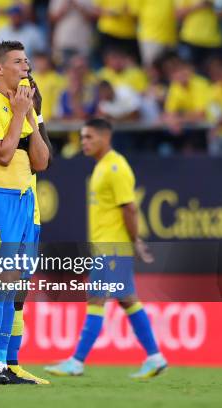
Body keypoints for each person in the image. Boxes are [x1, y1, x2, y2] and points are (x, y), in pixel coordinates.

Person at [44, 118, 167, 379]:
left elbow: (130, 208)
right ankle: (155, 357)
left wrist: (135, 241)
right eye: (82, 137)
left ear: (105, 137)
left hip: (112, 247)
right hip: (108, 245)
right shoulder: (102, 167)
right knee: (127, 300)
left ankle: (76, 361)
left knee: (95, 298)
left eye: (88, 137)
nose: (84, 142)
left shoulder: (115, 167)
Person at [0, 40, 49, 385]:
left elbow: (41, 162)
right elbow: (1, 155)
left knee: (15, 284)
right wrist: (18, 114)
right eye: (18, 62)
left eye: (27, 62)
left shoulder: (21, 107)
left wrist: (31, 115)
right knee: (0, 280)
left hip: (25, 200)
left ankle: (4, 365)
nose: (26, 67)